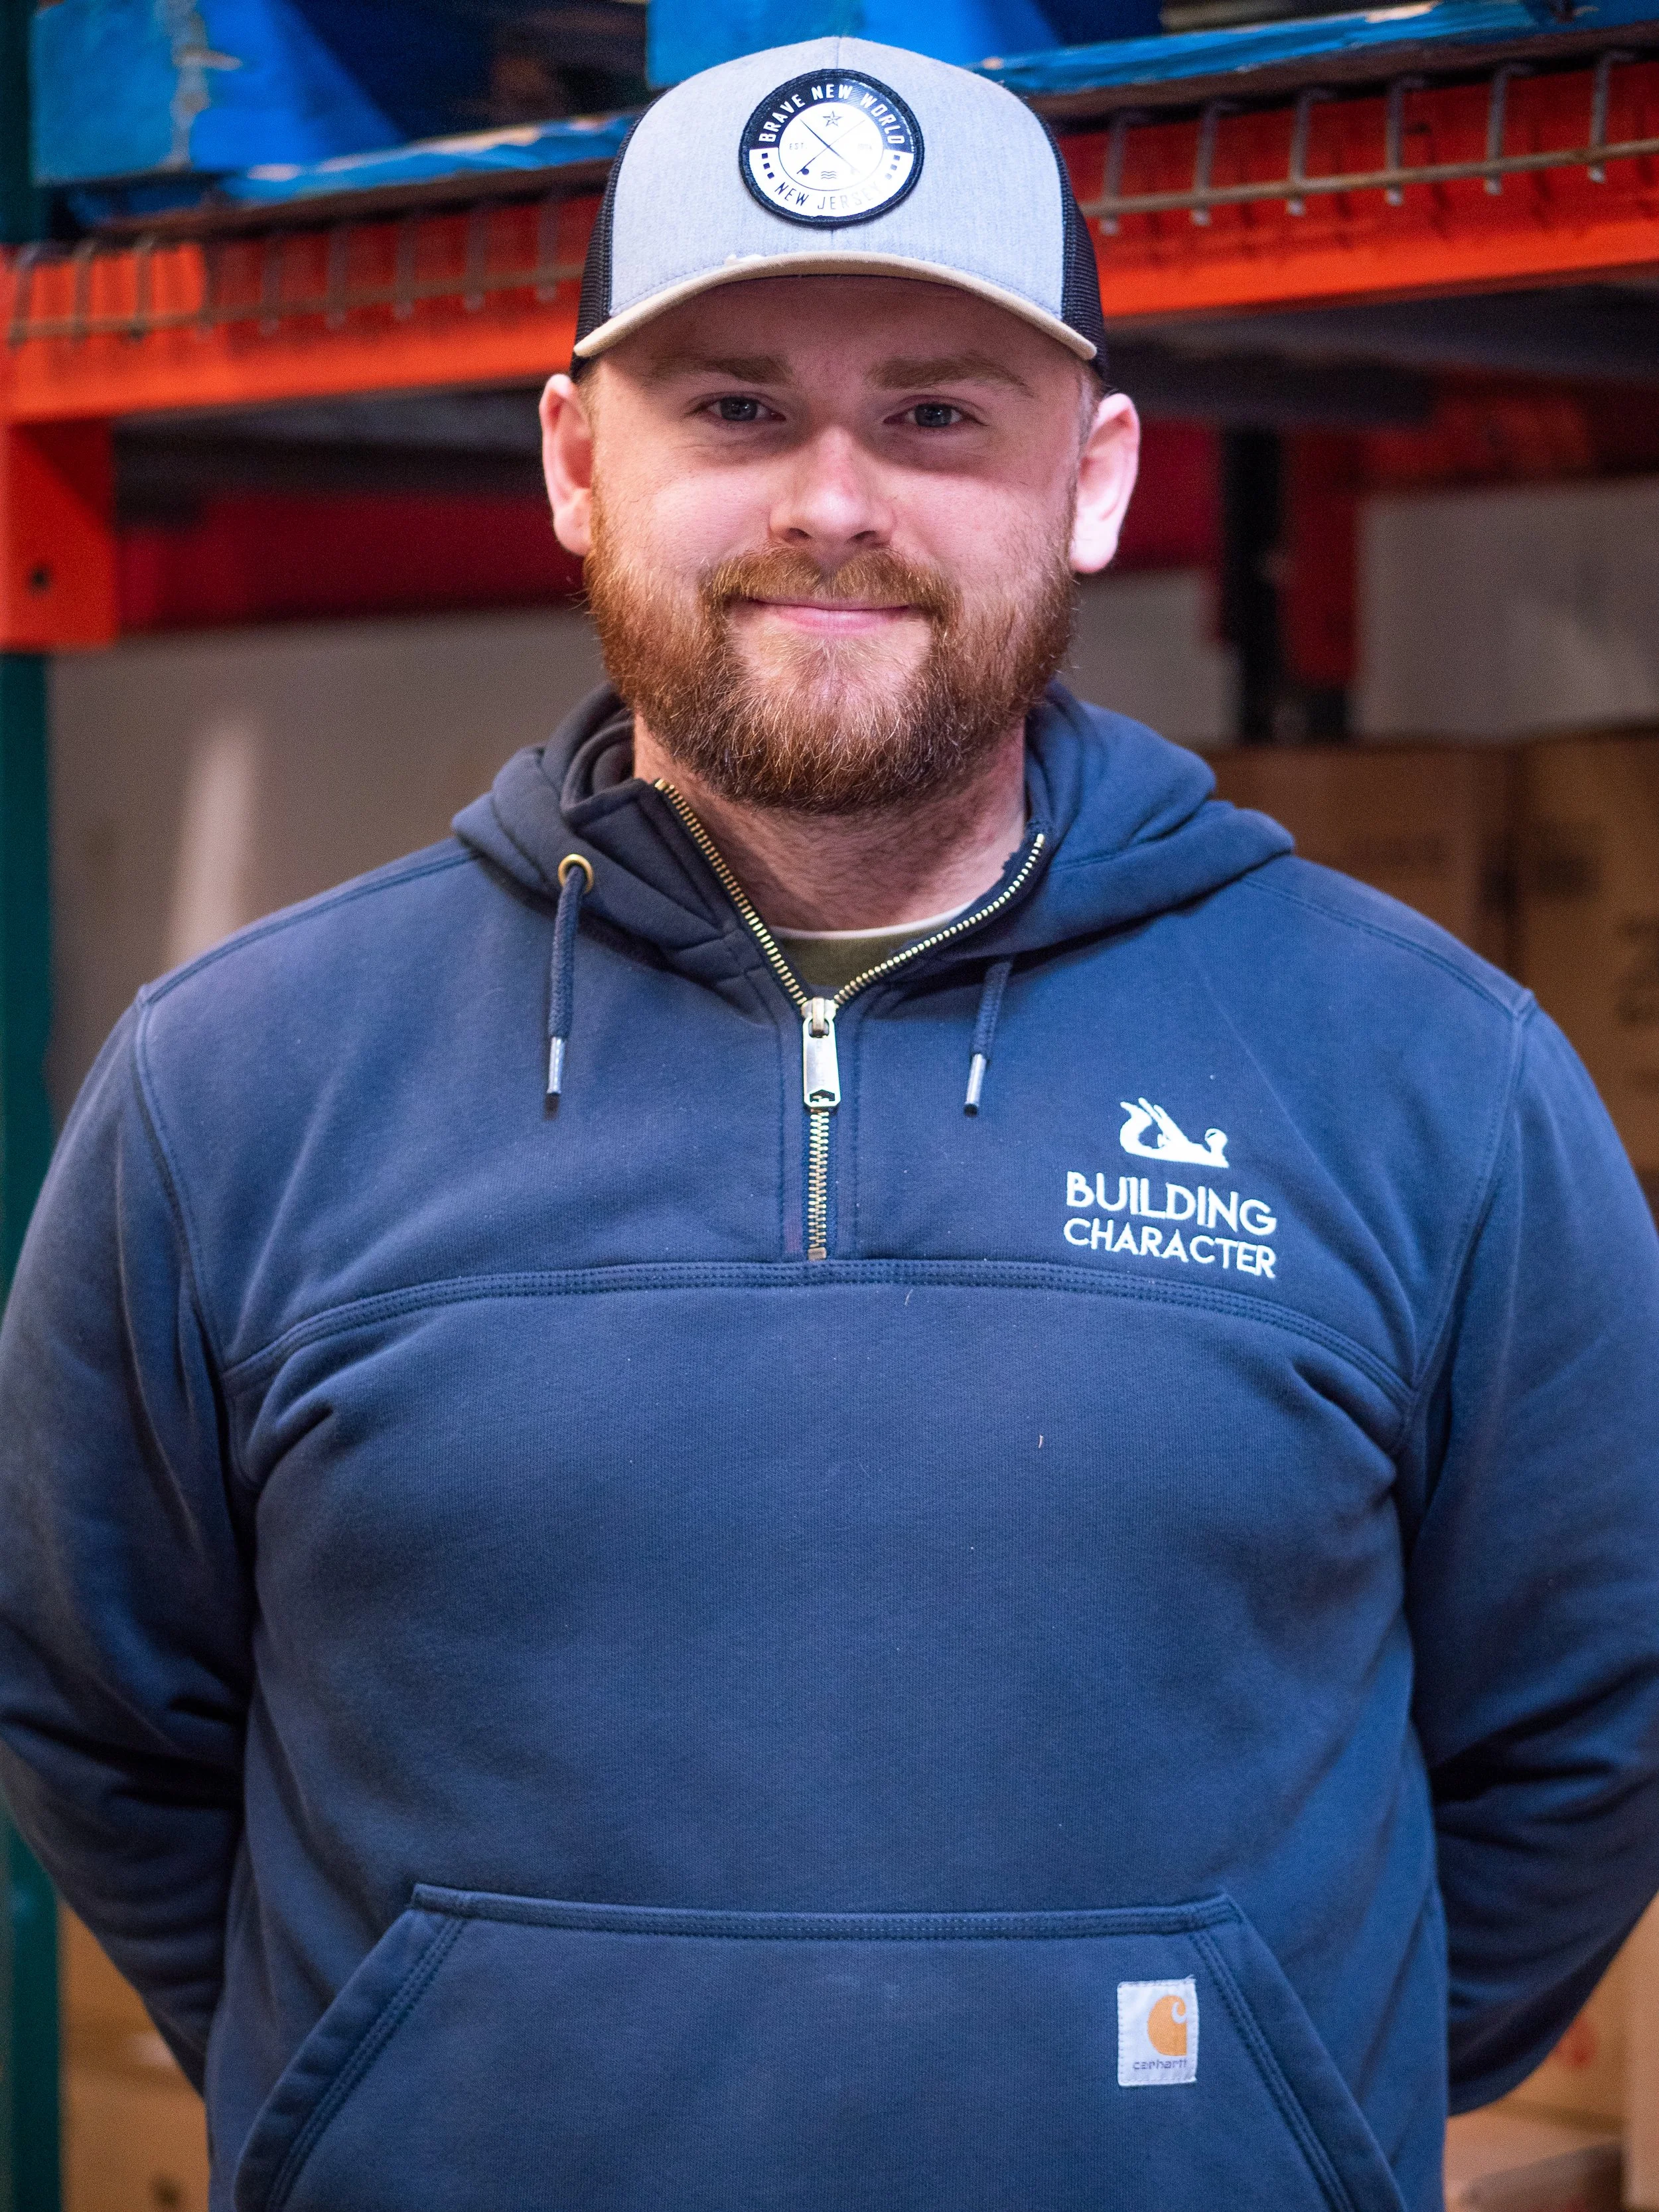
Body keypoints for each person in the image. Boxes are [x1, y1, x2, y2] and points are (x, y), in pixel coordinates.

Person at [2, 35, 1658, 2212]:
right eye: (738, 407)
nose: (833, 501)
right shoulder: (238, 1083)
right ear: (577, 462)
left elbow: (1583, 1726)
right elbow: (98, 1711)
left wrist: (1263, 2086)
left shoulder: (1425, 1075)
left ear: (1095, 475)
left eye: (937, 412)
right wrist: (403, 2067)